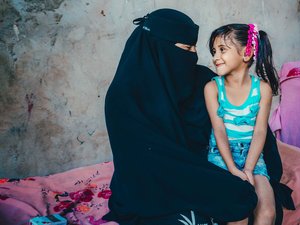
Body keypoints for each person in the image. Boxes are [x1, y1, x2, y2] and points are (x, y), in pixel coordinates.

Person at [102, 9, 259, 225]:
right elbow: (146, 162)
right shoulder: (124, 96)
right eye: (186, 48)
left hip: (197, 167)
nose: (193, 55)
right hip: (149, 181)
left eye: (194, 47)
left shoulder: (202, 80)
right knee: (233, 197)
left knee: (243, 194)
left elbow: (246, 116)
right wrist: (215, 181)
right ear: (160, 48)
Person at [204, 24, 280, 225]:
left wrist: (248, 168)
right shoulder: (212, 88)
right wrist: (232, 168)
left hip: (253, 159)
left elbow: (260, 131)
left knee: (267, 212)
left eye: (222, 50)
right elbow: (219, 130)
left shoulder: (261, 90)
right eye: (213, 51)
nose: (215, 57)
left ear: (247, 53)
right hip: (221, 157)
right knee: (239, 213)